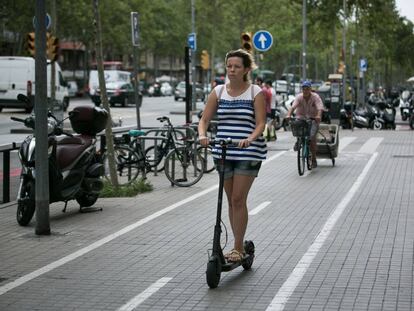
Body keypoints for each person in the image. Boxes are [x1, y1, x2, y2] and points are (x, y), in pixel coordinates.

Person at [198, 49, 267, 263]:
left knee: (238, 198)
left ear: (246, 69)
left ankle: (238, 247)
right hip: (223, 150)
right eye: (229, 66)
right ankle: (236, 245)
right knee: (229, 201)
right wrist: (202, 135)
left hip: (248, 151)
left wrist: (250, 138)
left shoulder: (255, 92)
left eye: (237, 66)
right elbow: (204, 120)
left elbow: (261, 123)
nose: (232, 70)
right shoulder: (218, 92)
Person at [286, 80, 323, 168]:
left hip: (313, 119)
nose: (305, 91)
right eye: (303, 89)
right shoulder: (299, 97)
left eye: (307, 89)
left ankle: (313, 159)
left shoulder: (315, 97)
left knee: (312, 138)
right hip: (301, 117)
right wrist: (288, 114)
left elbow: (320, 108)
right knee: (296, 126)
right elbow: (293, 107)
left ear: (310, 89)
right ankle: (298, 140)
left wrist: (318, 116)